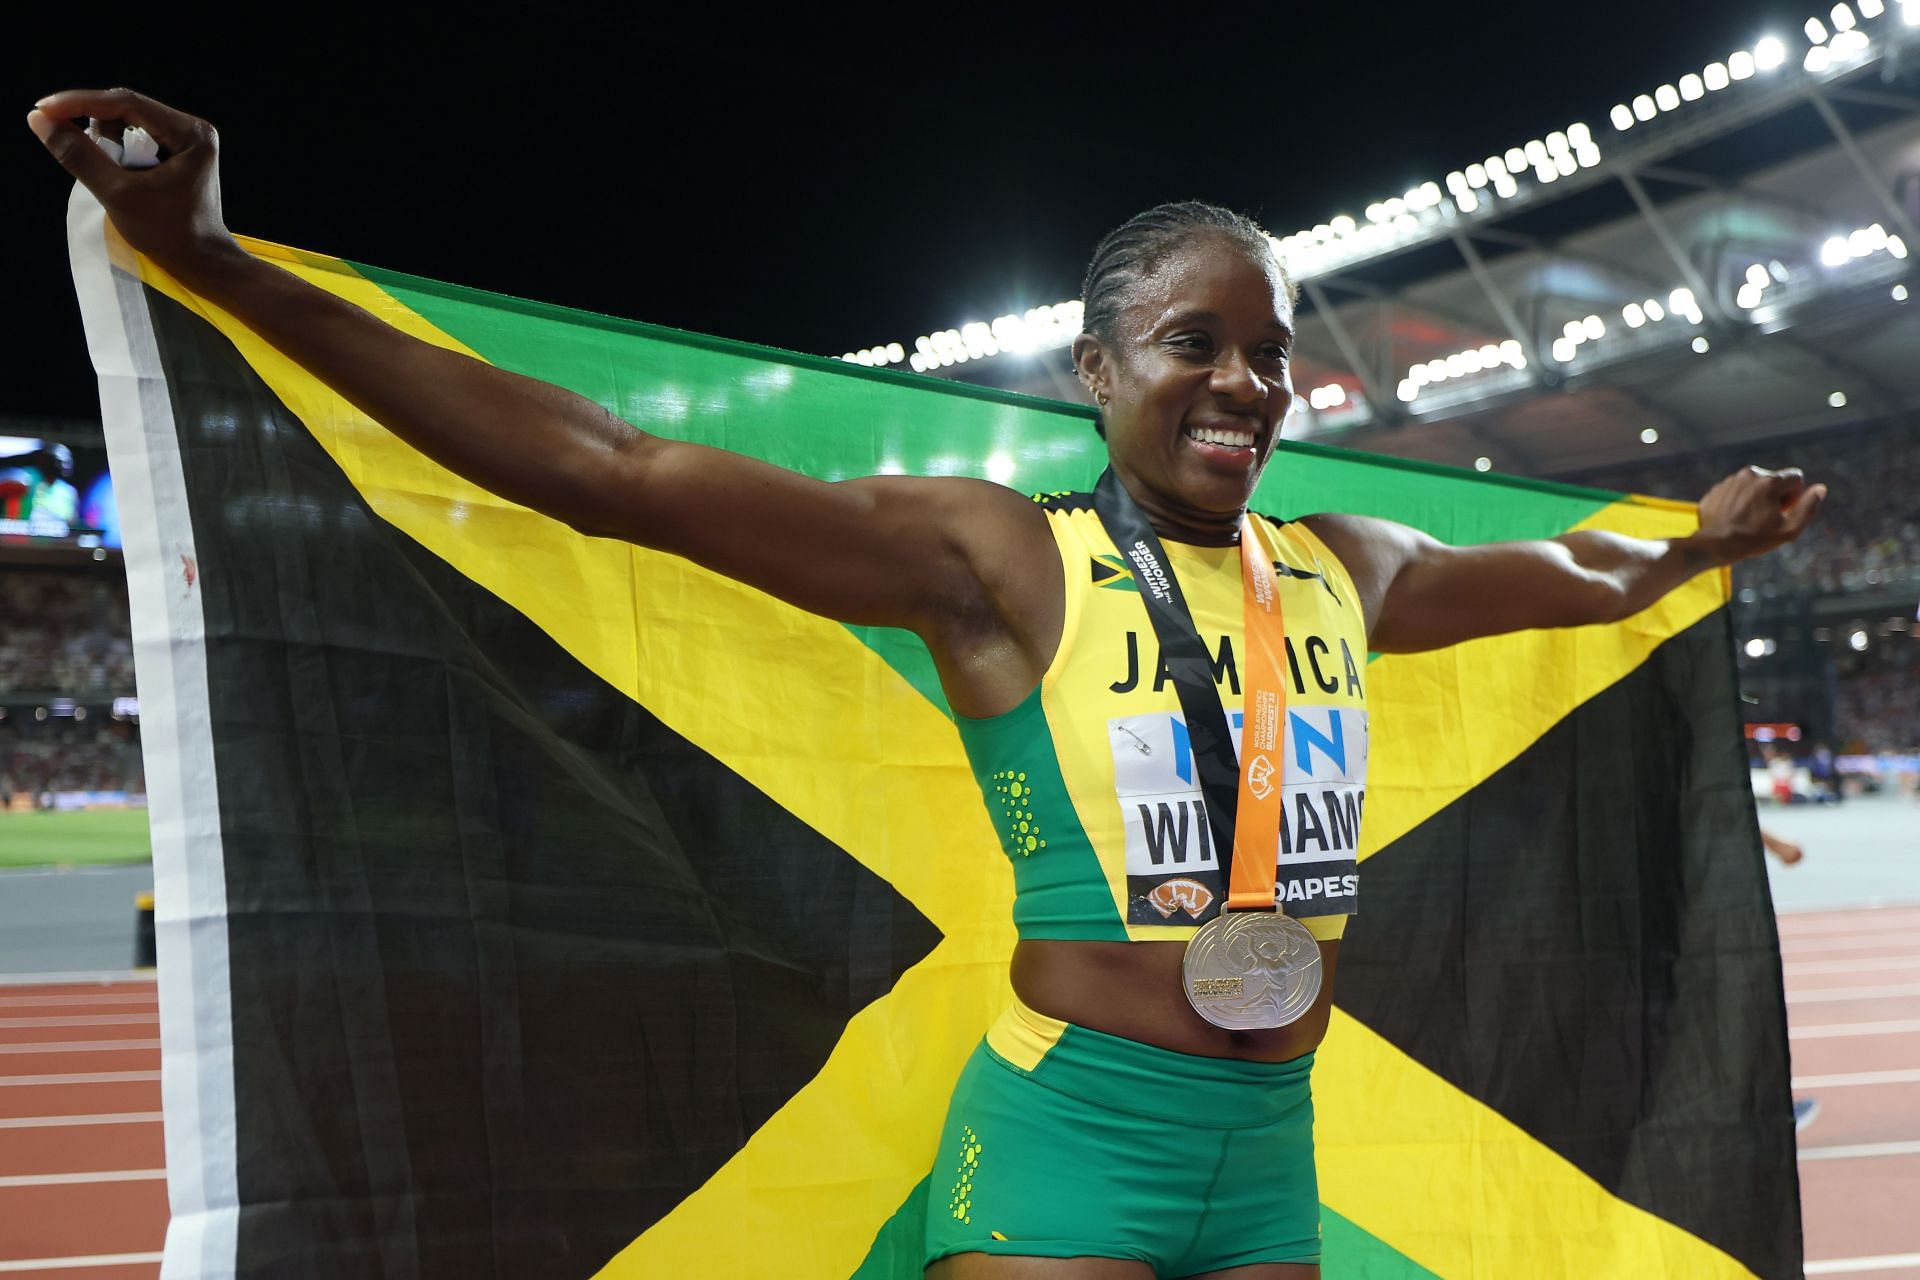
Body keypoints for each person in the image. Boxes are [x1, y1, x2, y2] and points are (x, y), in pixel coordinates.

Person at [29, 89, 1828, 1280]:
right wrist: (215, 261)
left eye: (1273, 357)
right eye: (1196, 344)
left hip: (1272, 1148)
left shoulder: (1342, 568)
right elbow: (614, 473)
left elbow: (1581, 574)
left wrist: (1697, 540)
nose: (1245, 387)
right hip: (1067, 1143)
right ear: (1096, 365)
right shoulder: (998, 561)